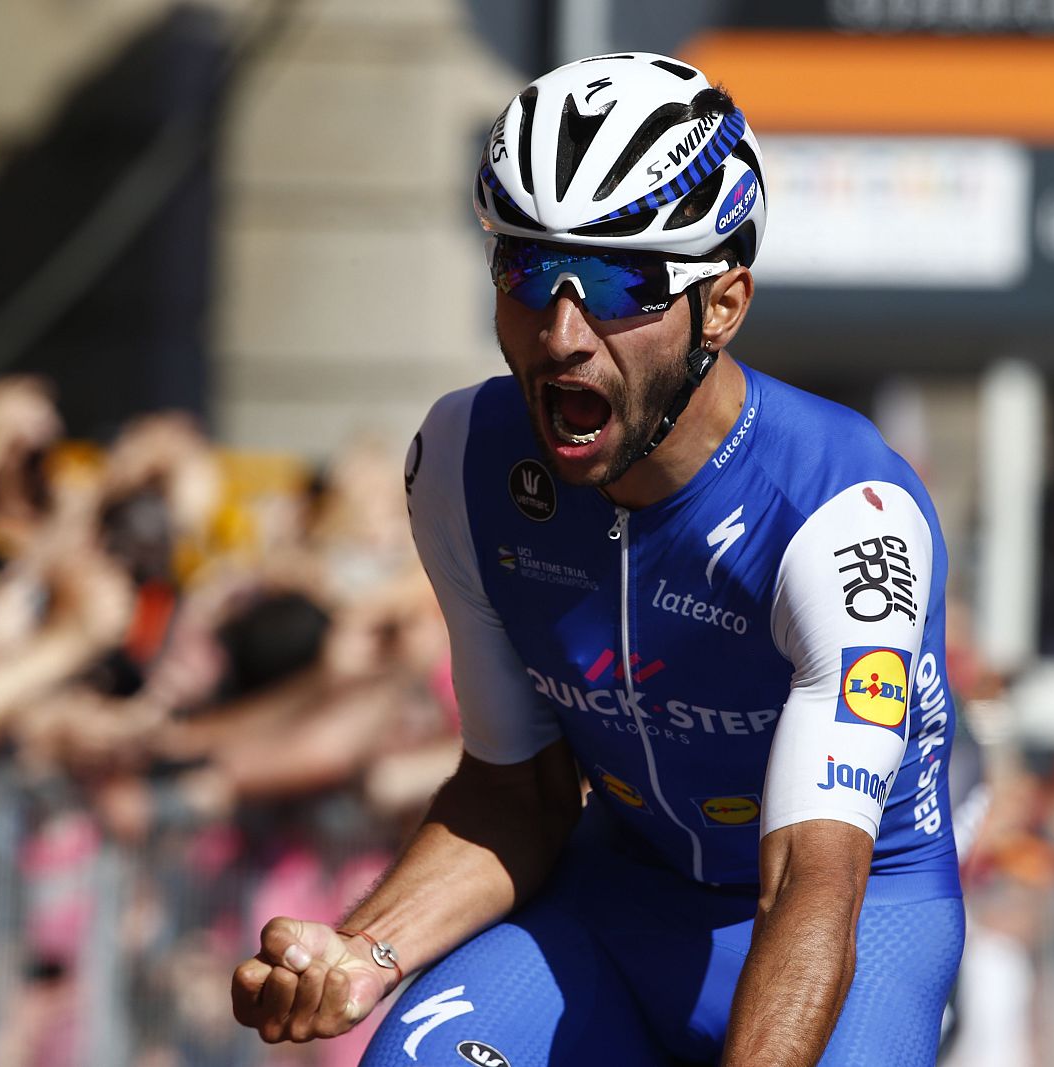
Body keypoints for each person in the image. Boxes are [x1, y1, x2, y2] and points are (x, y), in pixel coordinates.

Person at [231, 53, 962, 1066]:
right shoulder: (462, 464)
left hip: (848, 914)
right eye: (528, 272)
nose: (562, 333)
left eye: (619, 281)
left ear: (723, 303)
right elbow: (514, 792)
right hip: (616, 904)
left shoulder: (843, 514)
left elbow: (808, 875)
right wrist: (365, 950)